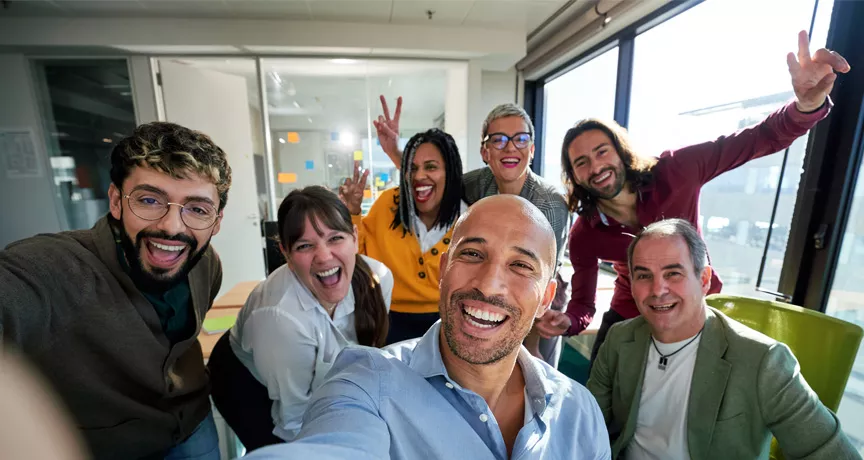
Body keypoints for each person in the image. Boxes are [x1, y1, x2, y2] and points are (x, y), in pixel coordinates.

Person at [534, 31, 852, 363]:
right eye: (582, 163)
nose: (596, 166)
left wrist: (807, 104)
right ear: (575, 177)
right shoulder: (585, 234)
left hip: (696, 308)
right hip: (631, 314)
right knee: (600, 396)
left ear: (620, 151)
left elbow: (760, 138)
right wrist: (568, 321)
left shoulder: (678, 170)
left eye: (602, 152)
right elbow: (583, 305)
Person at [243, 195, 611, 460]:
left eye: (521, 265)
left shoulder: (580, 413)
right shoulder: (366, 385)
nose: (488, 284)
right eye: (472, 254)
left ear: (546, 297)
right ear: (442, 271)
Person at [0, 122, 230, 459]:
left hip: (193, 428)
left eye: (197, 209)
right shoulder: (56, 268)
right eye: (150, 200)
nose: (171, 226)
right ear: (116, 201)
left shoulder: (206, 264)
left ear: (217, 221)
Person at [588, 219, 857, 459]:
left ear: (704, 279)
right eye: (644, 275)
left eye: (673, 273)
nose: (658, 290)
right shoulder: (620, 338)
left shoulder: (765, 362)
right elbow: (588, 422)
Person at [375, 97, 569, 366]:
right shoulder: (476, 185)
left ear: (532, 149)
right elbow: (436, 182)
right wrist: (397, 154)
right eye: (499, 140)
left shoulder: (549, 205)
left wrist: (532, 346)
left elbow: (544, 277)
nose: (510, 147)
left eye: (520, 139)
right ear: (485, 152)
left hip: (535, 309)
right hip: (490, 299)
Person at [209, 186, 393, 447]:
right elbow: (294, 420)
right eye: (305, 245)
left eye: (335, 238)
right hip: (248, 380)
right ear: (285, 253)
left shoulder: (380, 280)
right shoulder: (281, 319)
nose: (324, 256)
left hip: (303, 361)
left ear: (354, 236)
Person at [339, 128, 465, 344]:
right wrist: (352, 214)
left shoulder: (467, 219)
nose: (418, 176)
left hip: (448, 325)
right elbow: (356, 257)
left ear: (450, 172)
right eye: (412, 168)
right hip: (388, 321)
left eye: (431, 167)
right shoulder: (388, 204)